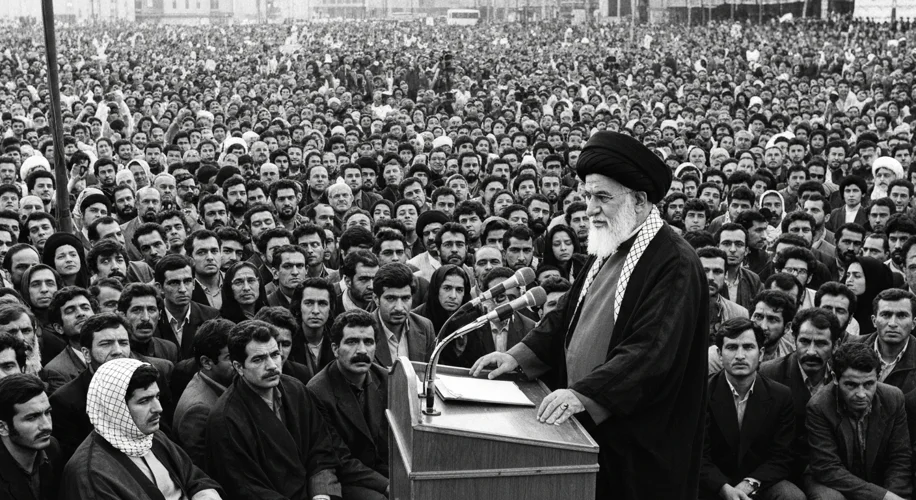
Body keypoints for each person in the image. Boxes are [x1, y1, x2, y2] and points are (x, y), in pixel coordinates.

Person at [471, 131, 708, 500]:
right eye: (586, 197)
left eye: (602, 198)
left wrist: (585, 394)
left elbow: (652, 350)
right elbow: (565, 315)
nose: (590, 209)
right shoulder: (611, 244)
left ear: (640, 201)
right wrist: (516, 356)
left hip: (638, 444)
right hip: (584, 430)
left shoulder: (674, 261)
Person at [205, 320, 389, 500]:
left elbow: (321, 449)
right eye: (259, 359)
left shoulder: (295, 390)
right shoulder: (226, 418)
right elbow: (247, 488)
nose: (271, 365)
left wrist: (322, 492)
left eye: (275, 354)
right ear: (239, 367)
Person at [60, 358, 223, 500]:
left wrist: (205, 494)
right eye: (144, 401)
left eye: (157, 397)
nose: (158, 408)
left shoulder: (152, 436)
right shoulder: (90, 473)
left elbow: (194, 478)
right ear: (115, 407)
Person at [699, 318, 801, 500]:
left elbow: (782, 457)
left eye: (748, 347)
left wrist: (748, 484)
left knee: (791, 496)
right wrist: (724, 488)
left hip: (759, 482)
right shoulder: (702, 394)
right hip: (712, 484)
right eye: (731, 347)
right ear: (720, 355)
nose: (740, 355)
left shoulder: (780, 396)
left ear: (761, 354)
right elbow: (699, 456)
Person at [804, 342, 912, 500]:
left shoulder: (893, 398)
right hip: (830, 481)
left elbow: (900, 457)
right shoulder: (819, 406)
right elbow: (828, 468)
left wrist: (894, 495)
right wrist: (882, 496)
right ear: (835, 378)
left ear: (878, 377)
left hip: (874, 480)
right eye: (851, 385)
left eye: (869, 384)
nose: (861, 394)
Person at [759, 308, 843, 481]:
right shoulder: (769, 374)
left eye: (821, 343)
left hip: (826, 471)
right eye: (804, 342)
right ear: (794, 340)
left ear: (836, 345)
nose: (811, 351)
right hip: (780, 471)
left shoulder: (844, 377)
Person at [306, 309, 389, 477]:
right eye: (352, 342)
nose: (362, 351)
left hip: (388, 470)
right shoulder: (318, 392)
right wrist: (389, 487)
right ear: (335, 349)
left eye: (368, 342)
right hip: (349, 478)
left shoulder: (387, 379)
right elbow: (340, 458)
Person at [172, 318, 236, 472]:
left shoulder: (215, 383)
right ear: (207, 362)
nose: (240, 363)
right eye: (230, 358)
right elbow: (204, 471)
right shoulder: (197, 411)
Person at [0, 373, 62, 500]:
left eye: (47, 412)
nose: (46, 425)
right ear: (3, 427)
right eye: (32, 417)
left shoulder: (52, 448)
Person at [849, 289, 916, 394]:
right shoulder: (850, 351)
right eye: (886, 315)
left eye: (902, 315)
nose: (893, 323)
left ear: (913, 323)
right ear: (874, 320)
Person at [154, 255, 220, 360]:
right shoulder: (151, 318)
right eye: (174, 283)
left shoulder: (212, 317)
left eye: (187, 281)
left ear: (194, 284)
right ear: (159, 288)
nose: (183, 289)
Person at [372, 262, 436, 367]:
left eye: (405, 298)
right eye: (390, 298)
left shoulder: (425, 327)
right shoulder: (364, 329)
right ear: (376, 299)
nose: (399, 307)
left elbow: (429, 374)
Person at [43, 287, 97, 393]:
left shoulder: (121, 350)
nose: (80, 313)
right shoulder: (56, 370)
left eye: (85, 308)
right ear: (59, 328)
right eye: (70, 311)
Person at [844, 256, 896, 336]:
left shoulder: (886, 317)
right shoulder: (844, 309)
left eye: (857, 276)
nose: (849, 280)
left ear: (872, 280)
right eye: (847, 275)